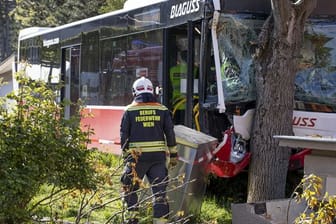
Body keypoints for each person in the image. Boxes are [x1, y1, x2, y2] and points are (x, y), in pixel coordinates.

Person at [120, 77, 178, 224]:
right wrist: (173, 155)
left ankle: (132, 221)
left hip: (136, 159)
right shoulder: (162, 110)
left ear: (134, 92)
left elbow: (124, 136)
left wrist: (126, 158)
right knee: (159, 194)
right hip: (158, 159)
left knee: (130, 189)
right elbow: (170, 134)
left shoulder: (129, 110)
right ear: (152, 92)